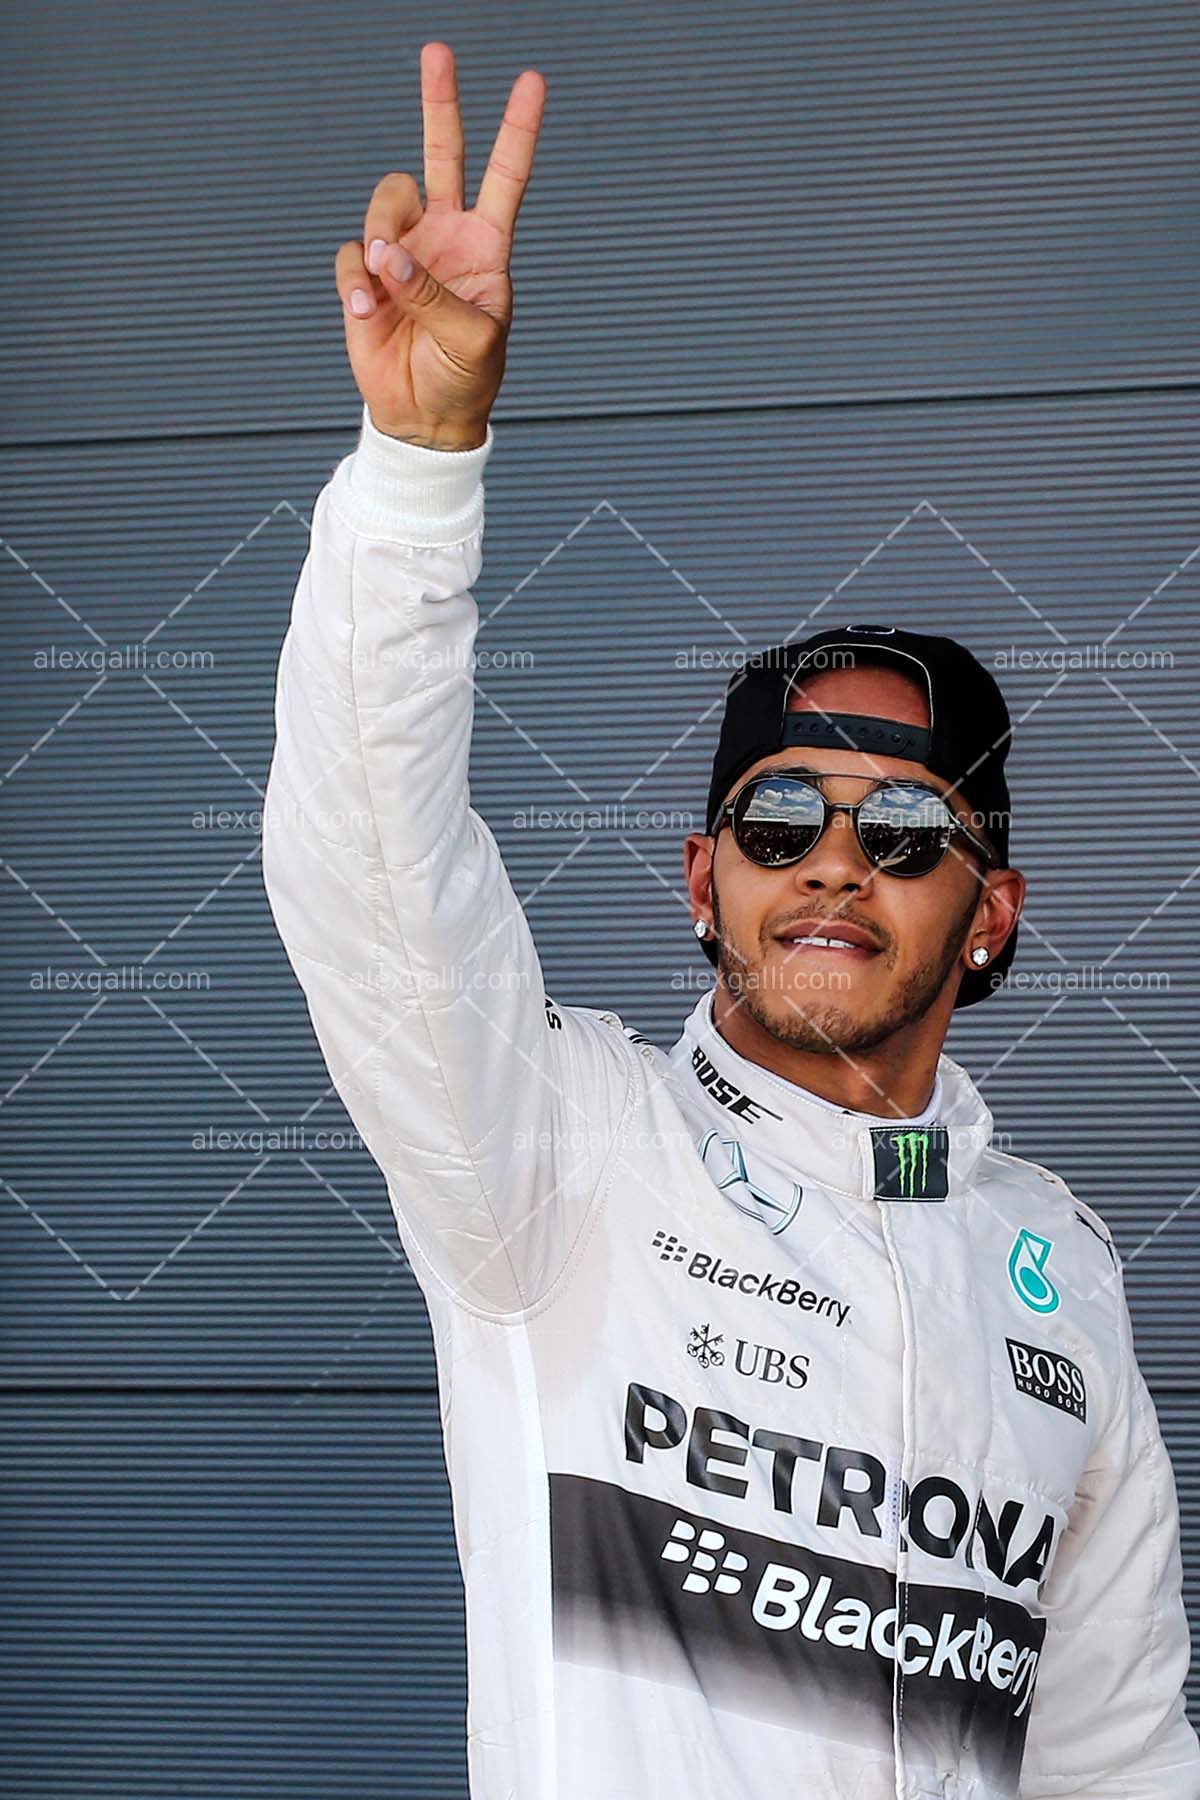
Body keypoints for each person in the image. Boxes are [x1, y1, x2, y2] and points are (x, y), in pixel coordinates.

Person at [261, 39, 1200, 1800]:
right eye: (781, 818)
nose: (832, 861)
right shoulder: (558, 1155)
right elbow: (365, 865)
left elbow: (1118, 1754)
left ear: (991, 914)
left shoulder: (1061, 1276)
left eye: (902, 829)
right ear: (707, 881)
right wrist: (415, 471)